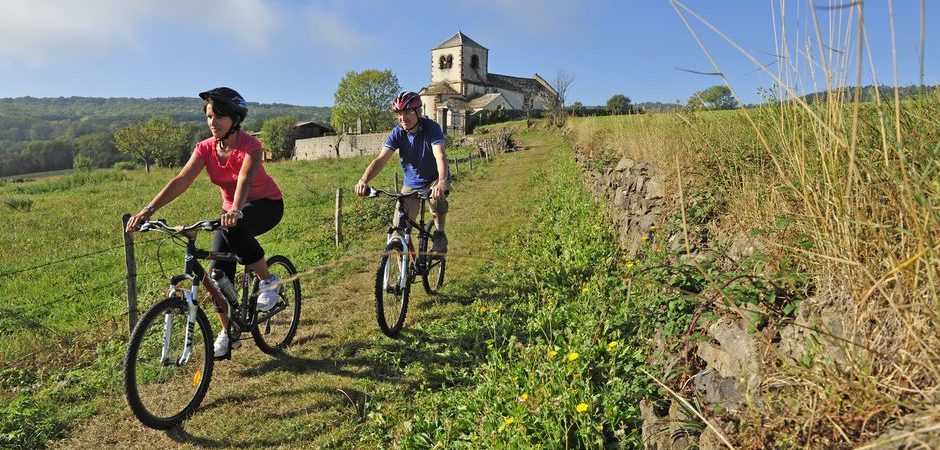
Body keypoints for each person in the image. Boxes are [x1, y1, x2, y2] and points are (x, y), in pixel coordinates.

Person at [125, 87, 284, 360]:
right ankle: (229, 332)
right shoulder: (206, 148)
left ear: (235, 119)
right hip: (230, 213)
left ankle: (268, 279)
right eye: (209, 116)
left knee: (233, 228)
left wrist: (235, 210)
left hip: (265, 204)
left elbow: (244, 180)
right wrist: (148, 210)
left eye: (219, 116)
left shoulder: (251, 147)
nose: (213, 122)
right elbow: (181, 180)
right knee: (217, 276)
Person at [354, 91, 450, 254]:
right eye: (399, 114)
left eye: (407, 113)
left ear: (418, 113)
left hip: (434, 178)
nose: (403, 118)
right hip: (411, 183)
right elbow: (380, 160)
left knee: (436, 199)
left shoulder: (432, 128)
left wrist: (441, 181)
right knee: (398, 231)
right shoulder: (397, 133)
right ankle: (405, 270)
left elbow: (440, 155)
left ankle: (440, 233)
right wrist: (364, 180)